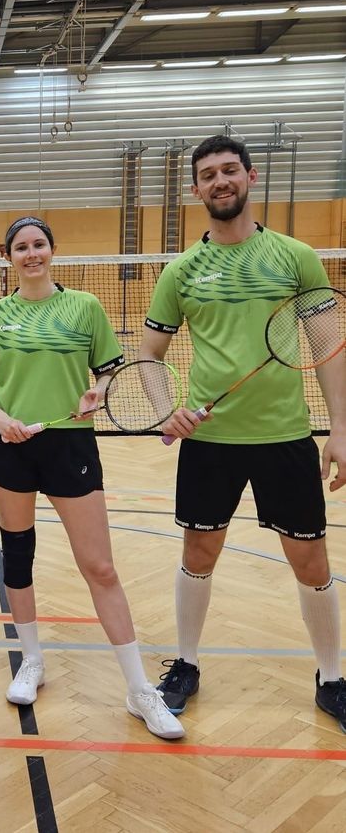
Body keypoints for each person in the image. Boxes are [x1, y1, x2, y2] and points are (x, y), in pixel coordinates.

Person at [139, 135, 346, 730]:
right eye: (208, 174)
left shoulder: (296, 256)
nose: (220, 181)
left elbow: (328, 345)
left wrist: (339, 428)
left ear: (250, 177)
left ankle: (332, 678)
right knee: (199, 551)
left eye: (230, 170)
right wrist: (163, 412)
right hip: (210, 442)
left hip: (284, 436)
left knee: (310, 558)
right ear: (196, 189)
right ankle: (186, 663)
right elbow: (149, 354)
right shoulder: (181, 271)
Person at [0, 216, 184, 740]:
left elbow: (109, 368)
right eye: (21, 248)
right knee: (17, 555)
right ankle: (32, 660)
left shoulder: (85, 307)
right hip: (11, 449)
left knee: (100, 567)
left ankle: (140, 691)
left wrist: (99, 393)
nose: (31, 254)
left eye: (39, 244)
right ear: (9, 257)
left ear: (52, 250)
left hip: (70, 446)